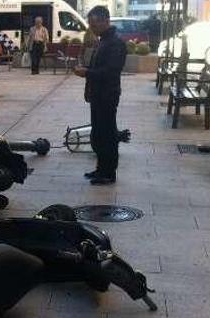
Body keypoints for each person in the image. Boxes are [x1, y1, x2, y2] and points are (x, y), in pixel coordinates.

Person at [73, 6, 126, 185]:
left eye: (94, 24)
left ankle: (108, 172)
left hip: (107, 95)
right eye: (90, 24)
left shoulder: (115, 43)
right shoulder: (103, 40)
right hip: (98, 95)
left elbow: (110, 72)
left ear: (105, 21)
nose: (92, 28)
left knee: (107, 134)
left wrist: (86, 72)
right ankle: (100, 169)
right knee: (98, 133)